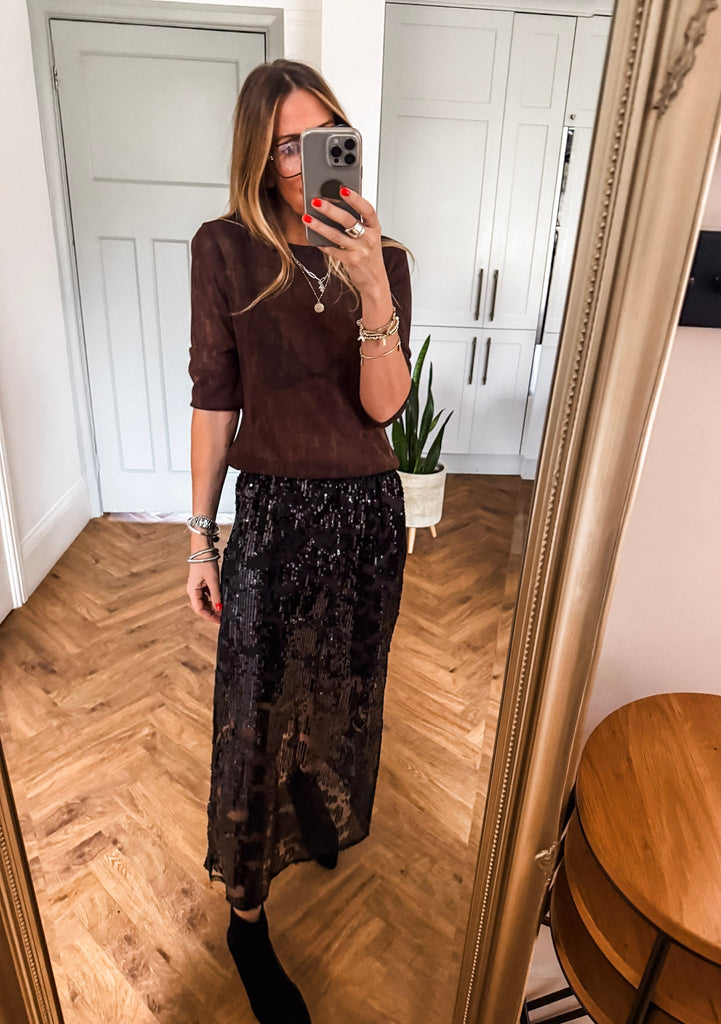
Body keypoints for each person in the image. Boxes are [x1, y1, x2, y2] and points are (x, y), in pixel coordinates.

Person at [186, 59, 412, 1023]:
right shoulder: (224, 249)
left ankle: (315, 804)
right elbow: (213, 399)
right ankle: (246, 919)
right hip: (274, 520)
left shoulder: (384, 258)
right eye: (286, 146)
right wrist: (200, 540)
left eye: (323, 138)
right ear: (257, 154)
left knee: (343, 692)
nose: (304, 162)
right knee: (253, 717)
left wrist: (372, 289)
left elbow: (384, 409)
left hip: (366, 519)